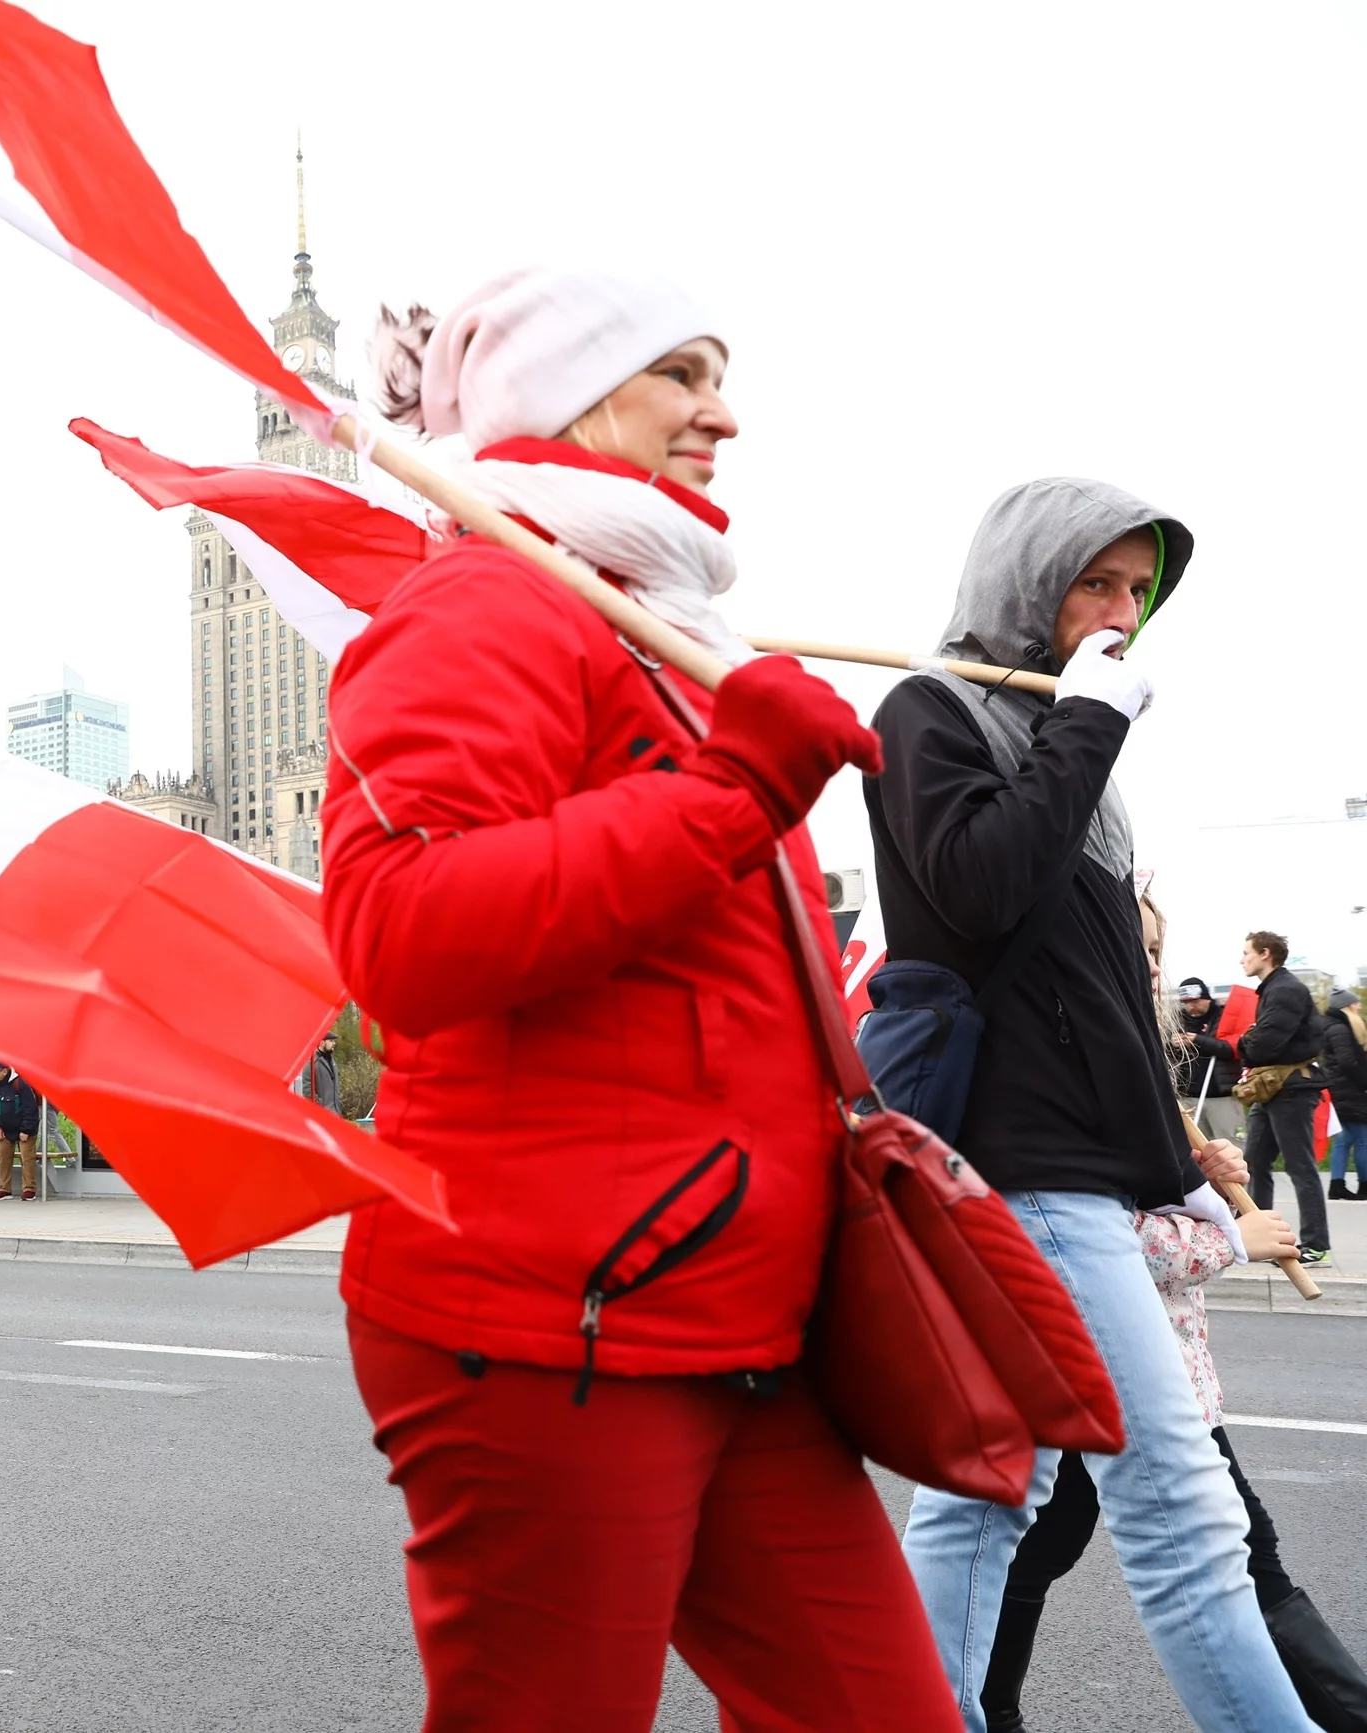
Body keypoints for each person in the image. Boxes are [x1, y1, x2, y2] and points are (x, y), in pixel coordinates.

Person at [319, 269, 947, 1729]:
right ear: (567, 391)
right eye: (681, 372)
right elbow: (401, 929)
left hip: (740, 1321)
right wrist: (737, 785)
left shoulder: (646, 620)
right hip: (557, 1320)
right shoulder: (484, 599)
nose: (721, 412)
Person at [873, 479, 1315, 1730]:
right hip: (1023, 1167)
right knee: (1181, 1511)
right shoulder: (929, 709)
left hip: (1083, 1166)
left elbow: (1105, 996)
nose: (1121, 613)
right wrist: (1080, 727)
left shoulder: (1075, 747)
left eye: (1137, 590)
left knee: (983, 1496)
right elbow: (979, 885)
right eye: (1095, 583)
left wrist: (1174, 1163)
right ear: (1026, 582)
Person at [978, 1196, 1367, 1729]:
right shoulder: (1069, 1116)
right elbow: (1077, 1228)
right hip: (1122, 1370)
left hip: (1133, 1367)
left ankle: (983, 1714)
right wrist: (1229, 1238)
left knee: (1034, 1550)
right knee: (1242, 1555)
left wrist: (1211, 1182)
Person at [1236, 930, 1331, 1264]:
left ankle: (1316, 1243)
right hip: (1274, 1087)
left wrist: (1244, 1044)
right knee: (1256, 1163)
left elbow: (1264, 1044)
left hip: (1290, 1088)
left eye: (1246, 952)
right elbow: (1262, 1041)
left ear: (1265, 953)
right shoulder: (1275, 989)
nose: (1241, 959)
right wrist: (1251, 1042)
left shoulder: (1285, 989)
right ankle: (1262, 1238)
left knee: (1299, 1165)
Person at [1171, 976, 1247, 1142]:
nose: (1192, 1006)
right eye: (1187, 1002)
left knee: (1231, 1144)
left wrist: (1197, 1039)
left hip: (1222, 1095)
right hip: (1189, 1095)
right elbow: (1169, 1056)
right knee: (1197, 1148)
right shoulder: (1178, 1020)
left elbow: (1232, 1049)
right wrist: (1174, 1045)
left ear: (1206, 997)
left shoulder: (1225, 1016)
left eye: (1196, 1001)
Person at [1323, 988, 1367, 1202]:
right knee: (1363, 1139)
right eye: (1356, 1003)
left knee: (1343, 1139)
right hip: (1350, 1089)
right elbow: (1347, 1061)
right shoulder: (1340, 1028)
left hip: (1338, 1089)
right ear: (1347, 1007)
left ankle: (1337, 1185)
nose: (1359, 1006)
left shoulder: (1331, 1026)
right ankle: (1365, 1186)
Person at [0, 1062, 42, 1200]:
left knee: (27, 1158)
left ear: (4, 1071)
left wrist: (26, 1130)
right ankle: (4, 1189)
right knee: (3, 1157)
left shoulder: (21, 1084)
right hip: (4, 1128)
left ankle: (29, 1189)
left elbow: (30, 1109)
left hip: (24, 1129)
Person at [301, 1028, 342, 1118]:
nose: (334, 1043)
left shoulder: (333, 1062)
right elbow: (308, 1092)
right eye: (331, 1041)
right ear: (322, 1043)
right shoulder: (311, 1063)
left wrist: (338, 1106)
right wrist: (321, 1109)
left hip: (336, 1114)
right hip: (321, 1116)